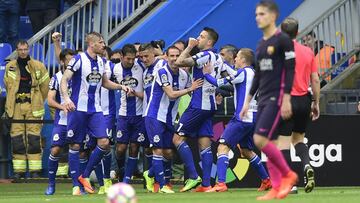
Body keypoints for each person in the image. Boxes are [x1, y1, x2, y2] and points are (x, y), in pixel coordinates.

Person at [240, 1, 298, 200]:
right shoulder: (261, 43)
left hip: (277, 96)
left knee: (259, 139)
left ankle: (289, 175)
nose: (257, 17)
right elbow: (258, 76)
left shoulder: (283, 40)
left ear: (273, 16)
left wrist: (288, 98)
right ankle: (275, 187)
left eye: (262, 14)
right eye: (256, 14)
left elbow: (291, 70)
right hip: (263, 98)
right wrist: (247, 101)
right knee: (269, 143)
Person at [60, 32, 129, 195]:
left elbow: (105, 83)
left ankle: (84, 176)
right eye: (100, 42)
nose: (103, 44)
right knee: (75, 145)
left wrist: (121, 87)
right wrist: (66, 98)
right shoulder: (78, 59)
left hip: (96, 109)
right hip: (78, 108)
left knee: (104, 142)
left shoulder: (102, 61)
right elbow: (64, 79)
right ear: (91, 44)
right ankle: (75, 186)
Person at [202, 48, 272, 192]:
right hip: (253, 117)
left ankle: (221, 183)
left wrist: (207, 75)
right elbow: (233, 78)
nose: (235, 60)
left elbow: (218, 82)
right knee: (246, 151)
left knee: (222, 147)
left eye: (237, 57)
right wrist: (223, 64)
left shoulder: (243, 72)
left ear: (244, 60)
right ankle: (266, 180)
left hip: (241, 117)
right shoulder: (253, 73)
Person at [142, 46, 203, 193]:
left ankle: (149, 174)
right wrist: (190, 89)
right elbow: (171, 94)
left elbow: (194, 90)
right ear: (166, 57)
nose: (175, 59)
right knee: (158, 150)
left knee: (169, 152)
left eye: (177, 56)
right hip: (154, 116)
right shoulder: (162, 71)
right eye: (172, 56)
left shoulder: (184, 74)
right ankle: (163, 185)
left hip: (169, 118)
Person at [172, 27, 223, 192]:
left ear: (209, 42)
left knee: (177, 139)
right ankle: (206, 184)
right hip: (210, 106)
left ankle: (193, 177)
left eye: (201, 37)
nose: (197, 39)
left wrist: (188, 46)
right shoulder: (218, 57)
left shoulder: (204, 55)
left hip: (198, 105)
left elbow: (178, 62)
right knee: (205, 144)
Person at [278, 17, 320, 194]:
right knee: (298, 140)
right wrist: (316, 102)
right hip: (304, 99)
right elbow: (316, 79)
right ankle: (307, 165)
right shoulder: (308, 52)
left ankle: (290, 184)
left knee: (283, 143)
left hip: (286, 100)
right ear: (297, 32)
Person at [4, 40, 49, 179]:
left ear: (29, 50)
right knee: (17, 137)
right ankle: (20, 171)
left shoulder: (38, 66)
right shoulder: (10, 66)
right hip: (15, 105)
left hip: (33, 104)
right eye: (20, 49)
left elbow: (45, 88)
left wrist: (37, 100)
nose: (23, 52)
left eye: (25, 49)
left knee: (34, 137)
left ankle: (35, 171)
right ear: (17, 50)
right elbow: (8, 87)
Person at [113, 44, 146, 184]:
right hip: (123, 114)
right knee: (120, 148)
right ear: (121, 56)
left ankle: (126, 179)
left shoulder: (141, 66)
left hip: (139, 115)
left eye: (133, 59)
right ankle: (121, 171)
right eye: (128, 59)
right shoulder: (115, 69)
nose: (131, 61)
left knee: (134, 147)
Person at [45, 48, 76, 195]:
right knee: (55, 149)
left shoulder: (80, 76)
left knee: (79, 151)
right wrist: (61, 106)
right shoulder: (57, 77)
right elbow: (50, 100)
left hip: (78, 121)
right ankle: (51, 184)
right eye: (69, 60)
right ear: (63, 61)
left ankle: (78, 185)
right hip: (62, 122)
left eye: (73, 60)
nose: (72, 63)